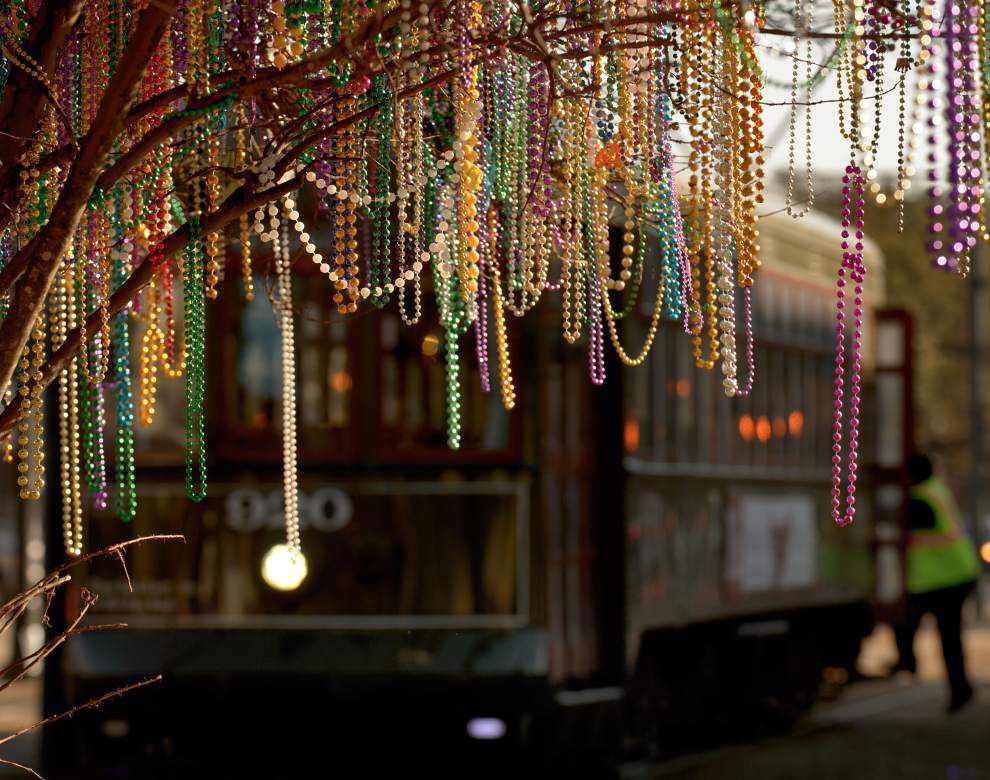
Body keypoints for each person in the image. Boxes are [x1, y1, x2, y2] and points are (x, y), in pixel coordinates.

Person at [892, 453, 981, 712]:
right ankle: (959, 689)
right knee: (948, 636)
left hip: (941, 579)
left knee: (907, 622)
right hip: (955, 574)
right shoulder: (936, 489)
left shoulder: (920, 499)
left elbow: (907, 534)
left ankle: (908, 664)